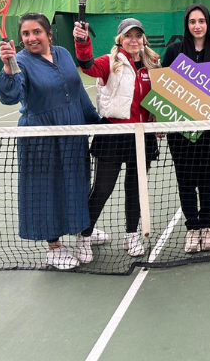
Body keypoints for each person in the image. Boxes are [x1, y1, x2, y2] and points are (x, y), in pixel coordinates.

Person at [0, 13, 101, 270]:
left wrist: (96, 123)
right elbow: (10, 96)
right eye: (26, 34)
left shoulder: (63, 53)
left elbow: (77, 92)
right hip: (40, 138)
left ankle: (82, 227)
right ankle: (54, 247)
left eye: (37, 32)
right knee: (45, 189)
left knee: (77, 182)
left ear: (49, 34)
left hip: (72, 132)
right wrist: (8, 66)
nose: (31, 38)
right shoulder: (20, 61)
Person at [73, 18, 160, 263]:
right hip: (113, 133)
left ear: (143, 39)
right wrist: (82, 42)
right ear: (120, 39)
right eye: (128, 36)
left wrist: (159, 118)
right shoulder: (109, 62)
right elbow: (87, 66)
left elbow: (161, 97)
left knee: (135, 188)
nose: (134, 40)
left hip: (142, 135)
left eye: (138, 35)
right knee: (102, 189)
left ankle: (131, 235)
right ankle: (85, 236)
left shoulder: (153, 64)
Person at [163, 4, 210, 253]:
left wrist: (209, 112)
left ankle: (207, 227)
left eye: (201, 21)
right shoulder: (174, 52)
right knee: (186, 179)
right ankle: (192, 228)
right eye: (192, 21)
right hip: (180, 133)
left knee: (208, 180)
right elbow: (165, 87)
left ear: (208, 24)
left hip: (209, 131)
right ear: (187, 25)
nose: (197, 26)